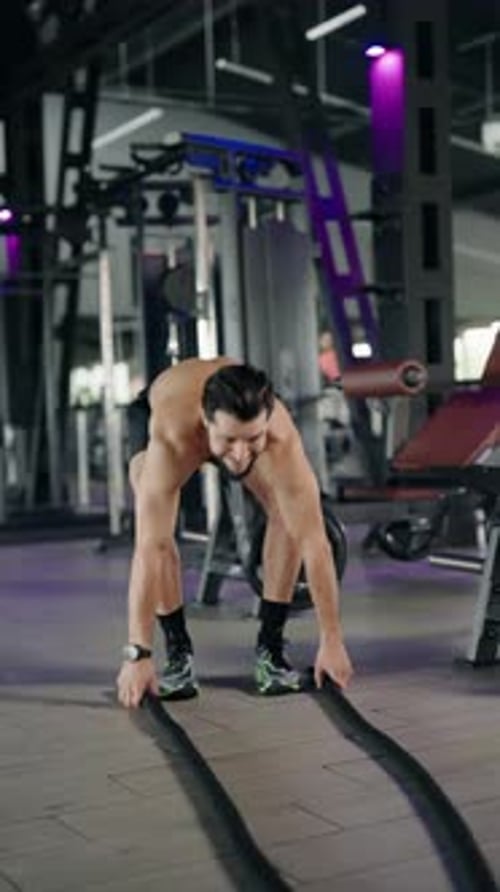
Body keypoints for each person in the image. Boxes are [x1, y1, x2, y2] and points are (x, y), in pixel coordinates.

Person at [117, 357, 353, 708]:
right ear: (206, 422)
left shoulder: (278, 435)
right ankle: (178, 656)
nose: (241, 455)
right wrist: (137, 654)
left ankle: (270, 652)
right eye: (230, 440)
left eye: (252, 439)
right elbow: (150, 549)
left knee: (287, 514)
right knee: (157, 531)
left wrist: (332, 641)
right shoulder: (173, 433)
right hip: (160, 410)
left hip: (231, 425)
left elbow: (315, 544)